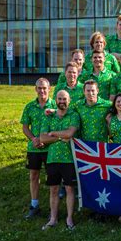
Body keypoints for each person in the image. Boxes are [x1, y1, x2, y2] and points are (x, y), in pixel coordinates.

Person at [39, 90, 79, 230]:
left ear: (69, 100)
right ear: (56, 100)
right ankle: (53, 219)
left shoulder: (73, 115)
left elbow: (70, 133)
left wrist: (53, 134)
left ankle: (69, 219)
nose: (62, 101)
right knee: (54, 190)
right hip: (52, 159)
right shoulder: (49, 116)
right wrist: (62, 138)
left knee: (69, 189)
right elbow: (42, 138)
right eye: (59, 99)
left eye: (64, 99)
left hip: (68, 159)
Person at [20, 78, 56, 219]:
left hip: (50, 148)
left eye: (44, 88)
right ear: (35, 89)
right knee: (34, 176)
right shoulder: (29, 107)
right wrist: (34, 139)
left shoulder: (54, 106)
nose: (42, 91)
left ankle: (52, 209)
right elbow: (25, 127)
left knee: (52, 178)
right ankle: (34, 206)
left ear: (49, 89)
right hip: (34, 148)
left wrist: (46, 141)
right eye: (39, 88)